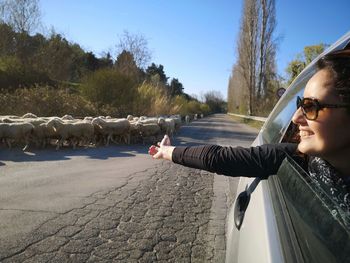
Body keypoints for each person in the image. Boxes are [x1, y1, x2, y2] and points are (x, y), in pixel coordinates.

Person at [149, 49, 350, 217]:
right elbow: (218, 157)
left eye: (310, 106)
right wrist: (167, 151)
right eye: (299, 105)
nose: (296, 118)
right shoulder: (295, 158)